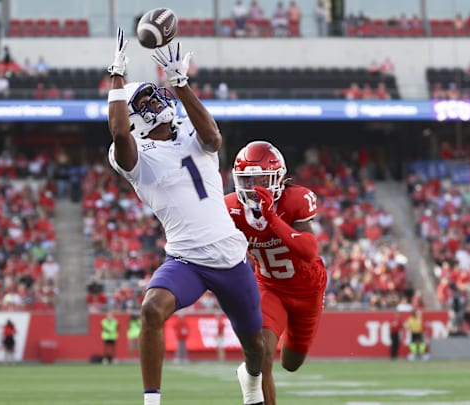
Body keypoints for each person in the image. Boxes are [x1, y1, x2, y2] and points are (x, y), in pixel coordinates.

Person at [106, 27, 264, 405]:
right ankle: (151, 401)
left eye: (153, 93)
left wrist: (180, 83)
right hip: (187, 260)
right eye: (143, 100)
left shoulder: (191, 132)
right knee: (151, 308)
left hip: (230, 256)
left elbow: (214, 140)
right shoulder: (135, 158)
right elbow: (117, 132)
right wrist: (117, 76)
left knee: (256, 348)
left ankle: (253, 382)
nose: (154, 100)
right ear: (133, 118)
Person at [226, 140, 327, 405]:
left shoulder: (295, 199)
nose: (253, 188)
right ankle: (252, 379)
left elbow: (308, 250)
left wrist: (273, 218)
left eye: (260, 179)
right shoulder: (231, 208)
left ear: (278, 179)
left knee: (291, 363)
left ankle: (256, 368)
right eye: (246, 181)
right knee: (263, 352)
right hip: (270, 286)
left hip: (308, 291)